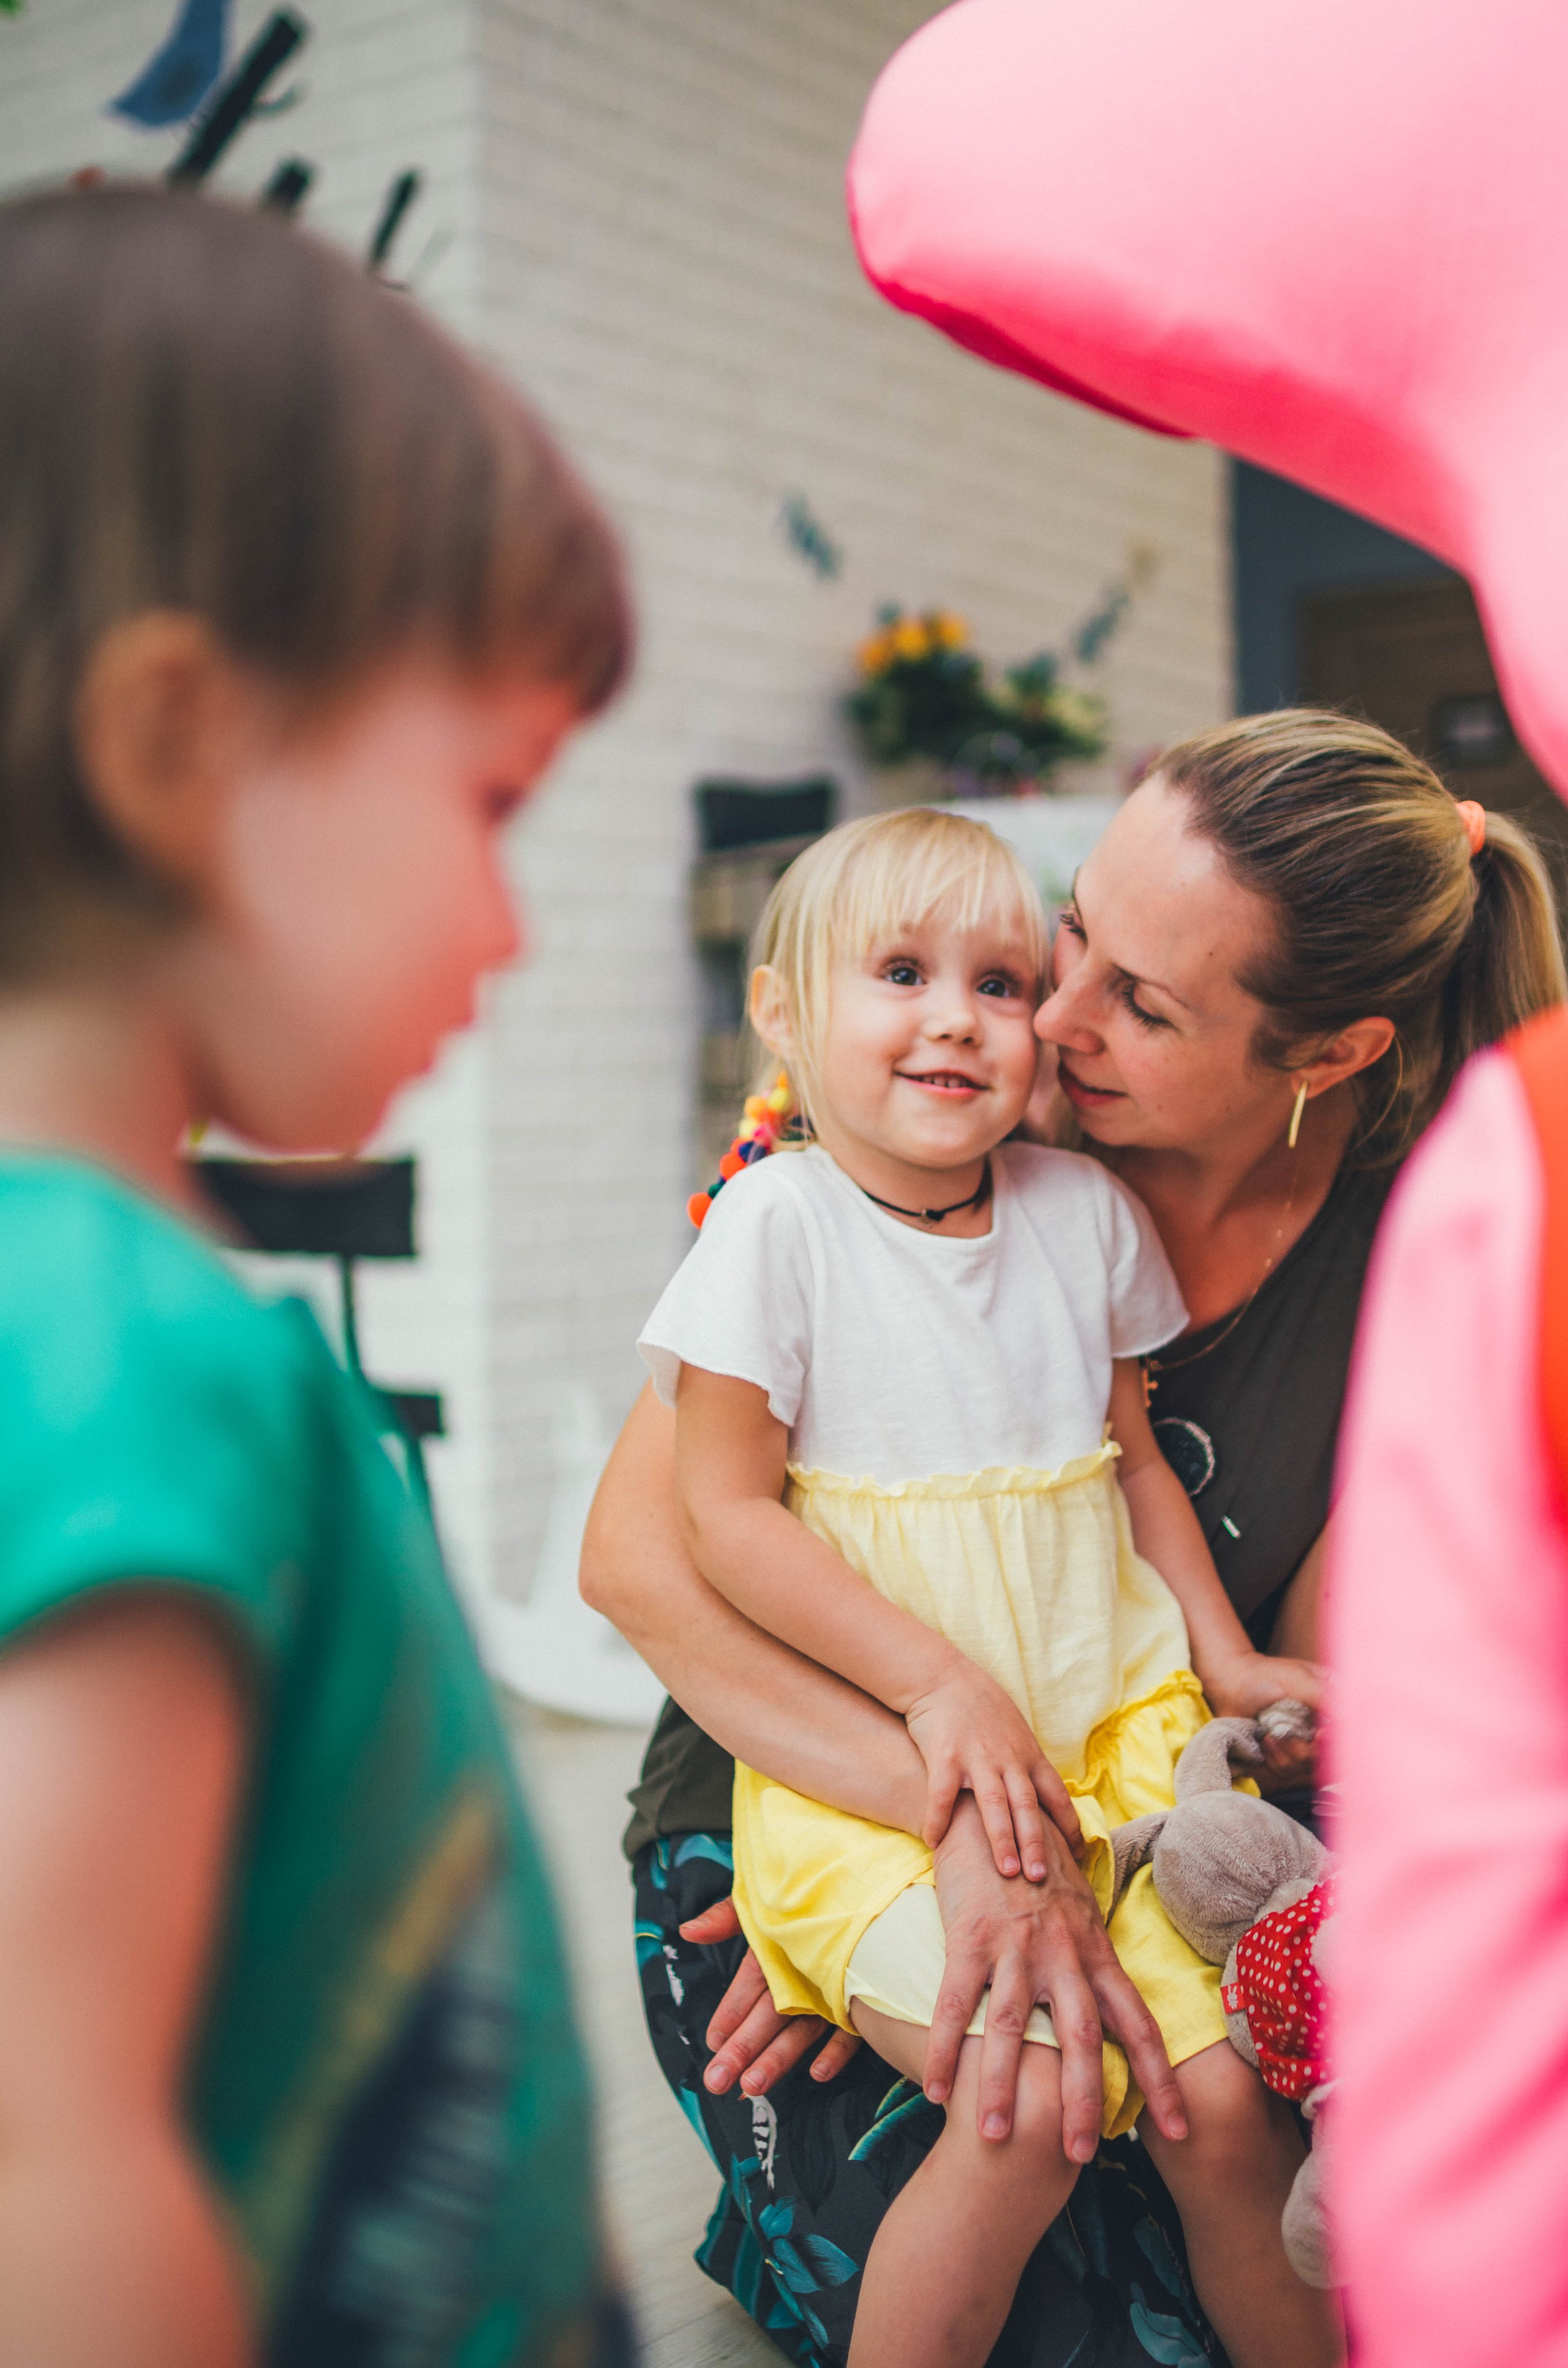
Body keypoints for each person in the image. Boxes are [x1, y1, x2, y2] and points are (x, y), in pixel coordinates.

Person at [585, 710, 1566, 2368]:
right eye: (1079, 935)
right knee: (1045, 2223)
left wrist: (1121, 1861)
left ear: (1324, 1059)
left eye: (1145, 1001)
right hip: (809, 1790)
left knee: (1257, 2199)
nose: (1047, 1015)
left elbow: (1320, 1707)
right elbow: (649, 1561)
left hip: (1126, 1807)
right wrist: (914, 1840)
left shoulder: (1432, 1237)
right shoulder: (875, 1128)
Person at [0, 184, 633, 2367]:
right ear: (172, 742)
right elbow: (44, 2164)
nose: (515, 924)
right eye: (487, 799)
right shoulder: (128, 1340)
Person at [635, 805, 1335, 2368]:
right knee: (1025, 2113)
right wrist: (938, 1692)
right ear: (782, 1014)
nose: (958, 1014)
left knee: (1221, 2100)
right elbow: (724, 1514)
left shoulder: (1083, 1216)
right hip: (881, 1783)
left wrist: (1222, 1661)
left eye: (1003, 981)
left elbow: (1134, 1463)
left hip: (1115, 1733)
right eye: (899, 971)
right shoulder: (773, 1225)